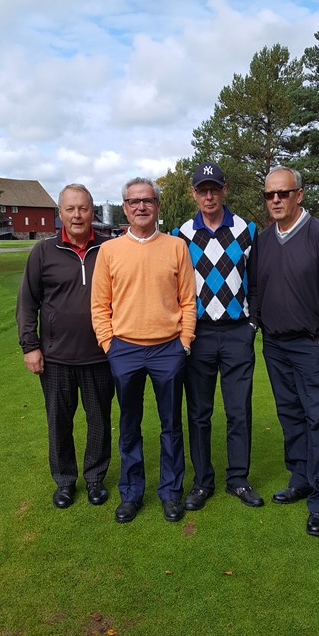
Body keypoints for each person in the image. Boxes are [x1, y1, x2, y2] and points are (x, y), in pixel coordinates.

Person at [91, 177, 196, 524]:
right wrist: (109, 345)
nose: (141, 206)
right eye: (134, 201)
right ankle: (131, 494)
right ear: (124, 208)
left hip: (168, 349)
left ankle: (170, 493)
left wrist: (184, 342)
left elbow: (188, 299)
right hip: (125, 349)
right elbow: (99, 305)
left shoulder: (176, 247)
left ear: (157, 206)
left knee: (171, 426)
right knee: (129, 425)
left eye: (147, 200)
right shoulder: (109, 251)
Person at [257, 167, 319, 536]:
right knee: (290, 416)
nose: (276, 200)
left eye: (283, 193)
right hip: (275, 345)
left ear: (299, 194)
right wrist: (259, 322)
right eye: (269, 195)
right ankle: (300, 479)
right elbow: (257, 288)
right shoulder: (264, 240)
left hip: (311, 345)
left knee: (318, 419)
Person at [16, 183, 115, 508]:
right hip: (56, 357)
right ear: (60, 213)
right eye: (70, 209)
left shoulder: (109, 249)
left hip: (100, 355)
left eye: (83, 208)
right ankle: (64, 481)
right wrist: (30, 346)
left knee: (99, 420)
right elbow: (27, 302)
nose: (77, 215)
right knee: (59, 422)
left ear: (92, 212)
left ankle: (95, 478)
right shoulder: (43, 251)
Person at [174, 162, 264, 510]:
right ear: (193, 194)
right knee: (199, 413)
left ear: (224, 190)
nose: (208, 196)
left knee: (239, 410)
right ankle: (202, 482)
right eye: (202, 190)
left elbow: (257, 283)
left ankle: (238, 479)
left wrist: (252, 324)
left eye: (214, 189)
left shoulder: (246, 230)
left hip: (237, 332)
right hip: (198, 335)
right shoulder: (181, 234)